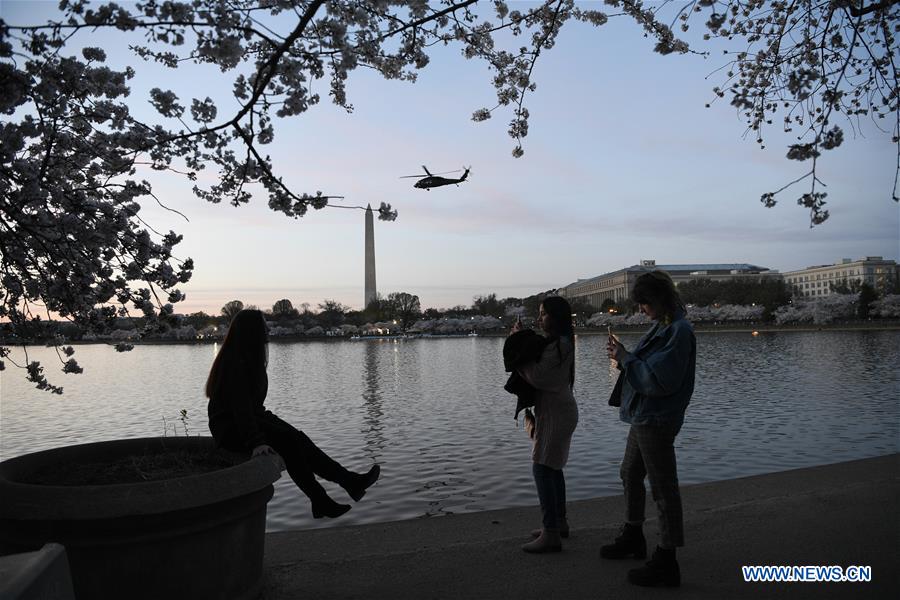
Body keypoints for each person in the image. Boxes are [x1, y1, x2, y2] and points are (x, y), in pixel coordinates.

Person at [205, 309, 380, 519]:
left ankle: (349, 481)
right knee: (289, 442)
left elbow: (252, 408)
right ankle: (320, 499)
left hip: (249, 417)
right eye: (263, 325)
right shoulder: (236, 363)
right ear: (253, 331)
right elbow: (240, 409)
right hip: (230, 427)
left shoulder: (247, 358)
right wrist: (256, 442)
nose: (268, 329)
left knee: (298, 437)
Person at [602, 271, 696, 587]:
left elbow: (660, 381)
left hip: (657, 417)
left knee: (662, 487)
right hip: (644, 415)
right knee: (629, 472)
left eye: (644, 302)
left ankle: (667, 559)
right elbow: (647, 369)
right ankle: (633, 534)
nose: (641, 308)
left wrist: (626, 358)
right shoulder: (663, 327)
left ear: (660, 298)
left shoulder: (679, 331)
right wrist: (623, 356)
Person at [510, 296, 579, 553]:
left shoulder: (559, 346)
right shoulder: (561, 343)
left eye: (544, 314)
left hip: (556, 413)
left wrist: (518, 347)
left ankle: (551, 533)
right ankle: (558, 524)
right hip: (558, 410)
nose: (539, 319)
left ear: (557, 317)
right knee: (553, 468)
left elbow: (539, 377)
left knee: (541, 467)